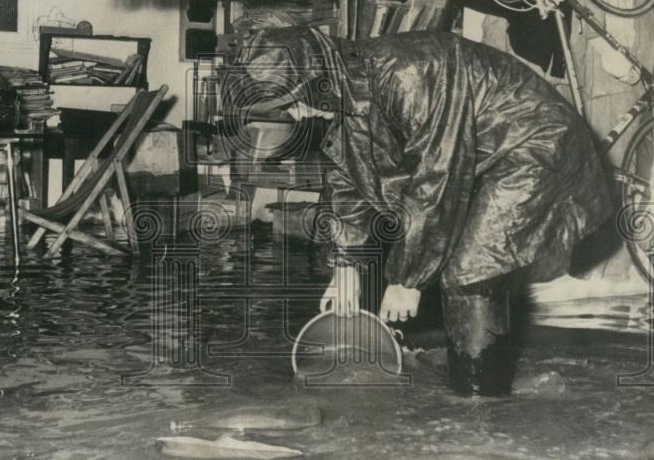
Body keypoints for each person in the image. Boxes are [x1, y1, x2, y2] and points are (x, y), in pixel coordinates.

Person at [227, 26, 612, 396]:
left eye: (295, 101)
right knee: (465, 268)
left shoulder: (408, 74)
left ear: (318, 77)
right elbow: (349, 179)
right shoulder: (346, 90)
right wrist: (346, 266)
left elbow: (437, 178)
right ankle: (475, 387)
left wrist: (407, 280)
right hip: (484, 158)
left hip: (534, 141)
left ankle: (482, 401)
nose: (296, 115)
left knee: (470, 271)